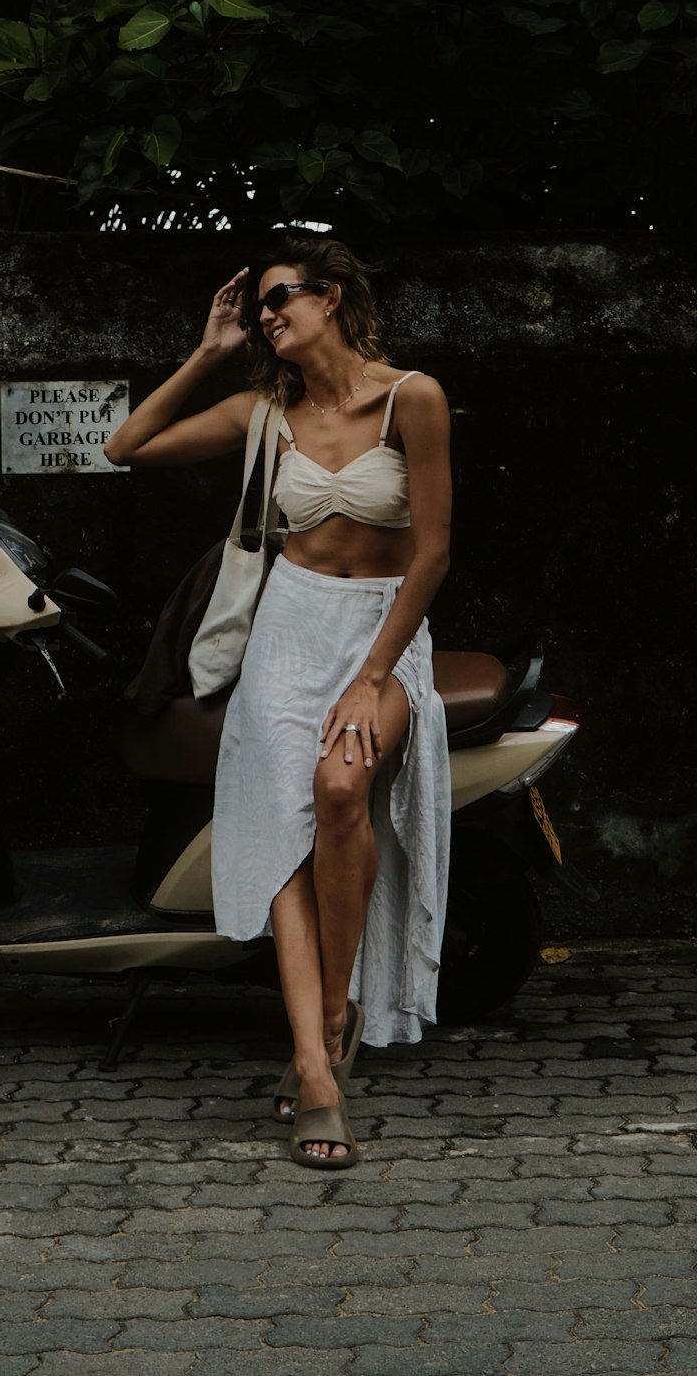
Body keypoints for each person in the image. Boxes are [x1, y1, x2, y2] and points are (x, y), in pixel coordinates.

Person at [104, 235, 452, 1169]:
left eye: (279, 296)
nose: (266, 313)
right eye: (258, 303)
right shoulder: (264, 410)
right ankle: (314, 1066)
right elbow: (125, 444)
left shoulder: (410, 398)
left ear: (332, 297)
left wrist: (374, 673)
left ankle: (334, 1011)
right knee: (285, 838)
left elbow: (432, 555)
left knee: (342, 791)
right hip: (287, 635)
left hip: (378, 635)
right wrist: (209, 351)